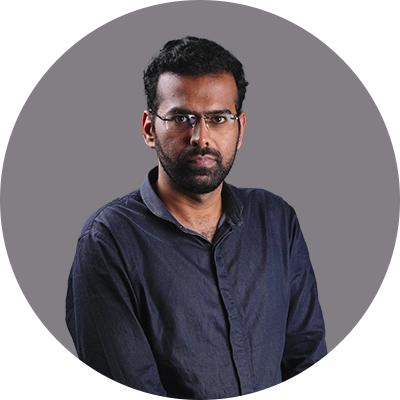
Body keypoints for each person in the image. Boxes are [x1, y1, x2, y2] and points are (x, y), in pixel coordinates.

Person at [66, 36, 327, 399]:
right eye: (181, 118)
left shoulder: (276, 221)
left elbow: (309, 364)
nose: (200, 137)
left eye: (218, 118)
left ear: (240, 129)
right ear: (149, 128)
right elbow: (131, 391)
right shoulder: (108, 242)